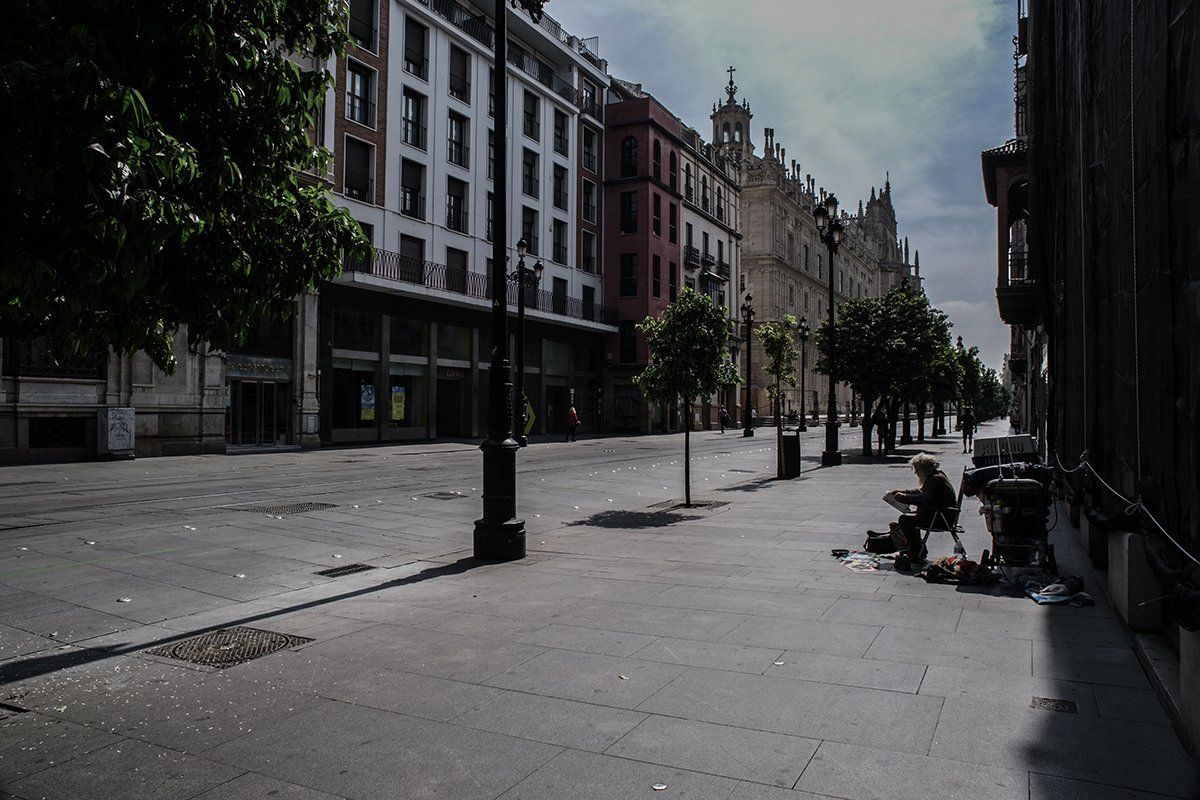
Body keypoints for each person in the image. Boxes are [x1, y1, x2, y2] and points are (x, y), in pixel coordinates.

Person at [873, 453, 957, 568]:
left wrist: (903, 497)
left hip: (940, 518)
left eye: (917, 470)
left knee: (905, 519)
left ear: (924, 469)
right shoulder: (936, 476)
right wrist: (903, 492)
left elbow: (924, 498)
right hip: (941, 514)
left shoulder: (934, 479)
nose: (916, 473)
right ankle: (916, 549)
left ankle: (915, 551)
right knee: (909, 517)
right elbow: (921, 492)